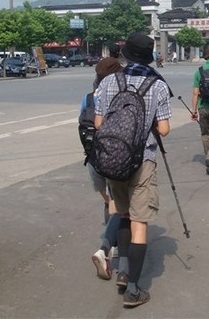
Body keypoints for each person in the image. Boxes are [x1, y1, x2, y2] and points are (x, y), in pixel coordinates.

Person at [94, 32, 172, 308]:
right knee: (139, 223)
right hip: (143, 160)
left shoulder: (109, 82)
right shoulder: (158, 85)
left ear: (125, 54)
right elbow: (163, 129)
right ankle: (135, 289)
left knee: (123, 213)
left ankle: (123, 270)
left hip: (113, 159)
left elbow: (99, 123)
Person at [84, 52, 123, 282]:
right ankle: (106, 249)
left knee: (109, 202)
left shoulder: (88, 97)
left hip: (92, 158)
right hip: (113, 157)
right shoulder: (118, 94)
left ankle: (111, 247)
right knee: (118, 204)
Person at [190, 47, 209, 175]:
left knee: (206, 134)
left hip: (202, 107)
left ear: (206, 57)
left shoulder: (199, 71)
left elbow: (195, 93)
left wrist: (194, 111)